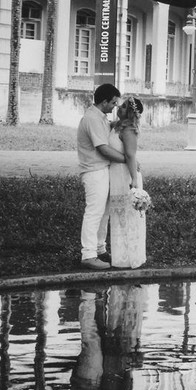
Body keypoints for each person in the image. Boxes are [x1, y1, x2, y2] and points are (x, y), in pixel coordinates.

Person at [76, 83, 129, 270]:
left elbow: (109, 132)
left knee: (104, 213)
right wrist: (127, 159)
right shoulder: (92, 119)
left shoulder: (100, 118)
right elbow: (103, 148)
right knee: (94, 212)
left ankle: (100, 249)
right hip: (93, 170)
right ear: (104, 101)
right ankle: (88, 254)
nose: (115, 106)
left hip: (102, 169)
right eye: (113, 103)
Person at [106, 96, 147, 268]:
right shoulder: (115, 126)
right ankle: (119, 256)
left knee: (126, 215)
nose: (118, 108)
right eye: (119, 105)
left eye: (123, 107)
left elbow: (131, 155)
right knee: (117, 215)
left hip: (125, 175)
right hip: (114, 173)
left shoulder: (129, 130)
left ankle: (130, 257)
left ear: (130, 112)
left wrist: (135, 181)